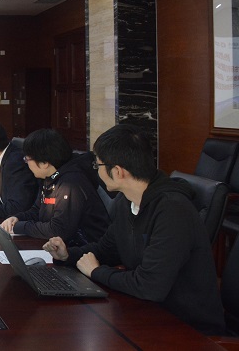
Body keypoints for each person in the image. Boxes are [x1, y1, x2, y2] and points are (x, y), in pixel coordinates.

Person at [43, 124, 224, 335]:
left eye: (97, 164)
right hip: (148, 313)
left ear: (118, 171)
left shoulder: (172, 210)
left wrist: (97, 272)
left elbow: (150, 286)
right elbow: (107, 250)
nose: (96, 170)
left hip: (188, 329)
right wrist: (68, 255)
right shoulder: (126, 201)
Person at [0, 128, 110, 247]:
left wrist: (21, 227)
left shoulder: (71, 183)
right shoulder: (50, 177)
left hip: (85, 249)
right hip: (61, 246)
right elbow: (37, 210)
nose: (26, 163)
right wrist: (16, 218)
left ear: (44, 163)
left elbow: (59, 229)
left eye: (27, 159)